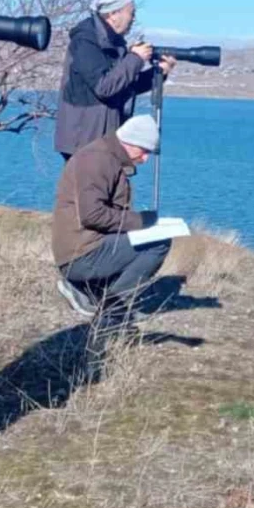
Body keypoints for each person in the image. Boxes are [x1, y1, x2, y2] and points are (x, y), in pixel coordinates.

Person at [52, 115, 172, 372]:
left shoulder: (105, 156)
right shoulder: (97, 160)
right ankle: (107, 305)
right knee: (158, 243)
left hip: (87, 245)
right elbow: (92, 215)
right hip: (81, 253)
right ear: (129, 143)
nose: (145, 158)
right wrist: (141, 221)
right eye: (144, 151)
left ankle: (100, 303)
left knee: (150, 242)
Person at [54, 0, 176, 160]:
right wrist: (135, 58)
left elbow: (125, 85)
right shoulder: (85, 41)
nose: (134, 19)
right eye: (131, 13)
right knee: (90, 186)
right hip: (84, 140)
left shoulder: (113, 42)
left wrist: (160, 72)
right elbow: (104, 87)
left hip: (103, 136)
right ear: (113, 14)